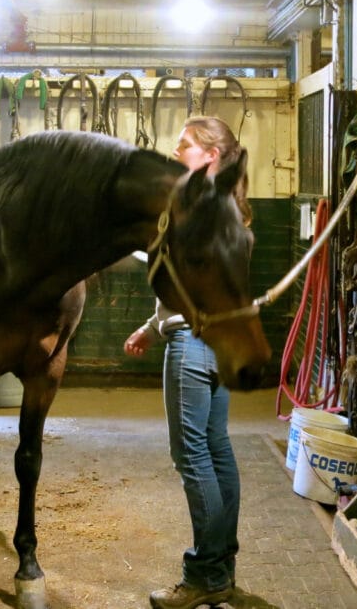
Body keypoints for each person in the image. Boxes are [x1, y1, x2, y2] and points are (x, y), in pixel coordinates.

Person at [124, 116, 252, 609]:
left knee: (192, 457)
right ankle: (223, 567)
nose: (174, 151)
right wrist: (152, 325)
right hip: (214, 343)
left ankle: (204, 575)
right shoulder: (232, 210)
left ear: (211, 157)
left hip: (192, 347)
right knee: (217, 450)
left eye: (185, 145)